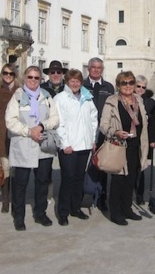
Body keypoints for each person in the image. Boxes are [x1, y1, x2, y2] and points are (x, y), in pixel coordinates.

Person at [6, 66, 59, 230]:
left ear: (41, 80)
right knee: (20, 183)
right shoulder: (17, 96)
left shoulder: (46, 96)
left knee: (42, 181)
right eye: (30, 77)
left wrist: (41, 126)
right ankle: (19, 216)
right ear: (24, 78)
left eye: (36, 78)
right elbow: (10, 121)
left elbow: (55, 118)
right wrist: (29, 131)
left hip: (42, 145)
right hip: (23, 145)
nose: (33, 80)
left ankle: (40, 213)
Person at [100, 71, 149, 225]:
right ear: (118, 85)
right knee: (118, 180)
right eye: (124, 83)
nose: (128, 86)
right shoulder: (112, 101)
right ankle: (115, 213)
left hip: (136, 145)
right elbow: (103, 124)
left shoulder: (139, 100)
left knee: (131, 179)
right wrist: (115, 132)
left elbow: (144, 121)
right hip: (119, 145)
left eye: (130, 83)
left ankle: (127, 208)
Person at [54, 69, 98, 226]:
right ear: (67, 82)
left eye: (78, 81)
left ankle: (75, 207)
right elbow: (59, 123)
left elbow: (93, 119)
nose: (75, 83)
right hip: (69, 147)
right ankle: (63, 211)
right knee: (68, 178)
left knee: (80, 178)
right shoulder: (60, 98)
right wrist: (64, 143)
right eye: (72, 81)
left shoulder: (87, 98)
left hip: (84, 145)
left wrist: (92, 140)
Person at [83, 57, 115, 210]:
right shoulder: (82, 85)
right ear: (89, 69)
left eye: (99, 68)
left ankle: (102, 198)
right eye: (93, 67)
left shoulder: (108, 87)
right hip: (84, 129)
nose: (96, 70)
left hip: (102, 130)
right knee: (82, 163)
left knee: (102, 165)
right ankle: (80, 195)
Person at [0, 63, 19, 213]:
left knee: (16, 169)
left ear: (15, 75)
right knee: (6, 168)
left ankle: (16, 198)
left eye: (11, 74)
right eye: (5, 73)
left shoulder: (20, 91)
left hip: (17, 134)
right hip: (2, 134)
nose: (8, 76)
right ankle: (6, 199)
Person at [134, 74, 155, 205]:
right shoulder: (127, 99)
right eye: (138, 86)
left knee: (140, 168)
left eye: (143, 87)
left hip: (143, 139)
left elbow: (153, 122)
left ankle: (139, 195)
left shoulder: (150, 103)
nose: (141, 89)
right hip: (129, 139)